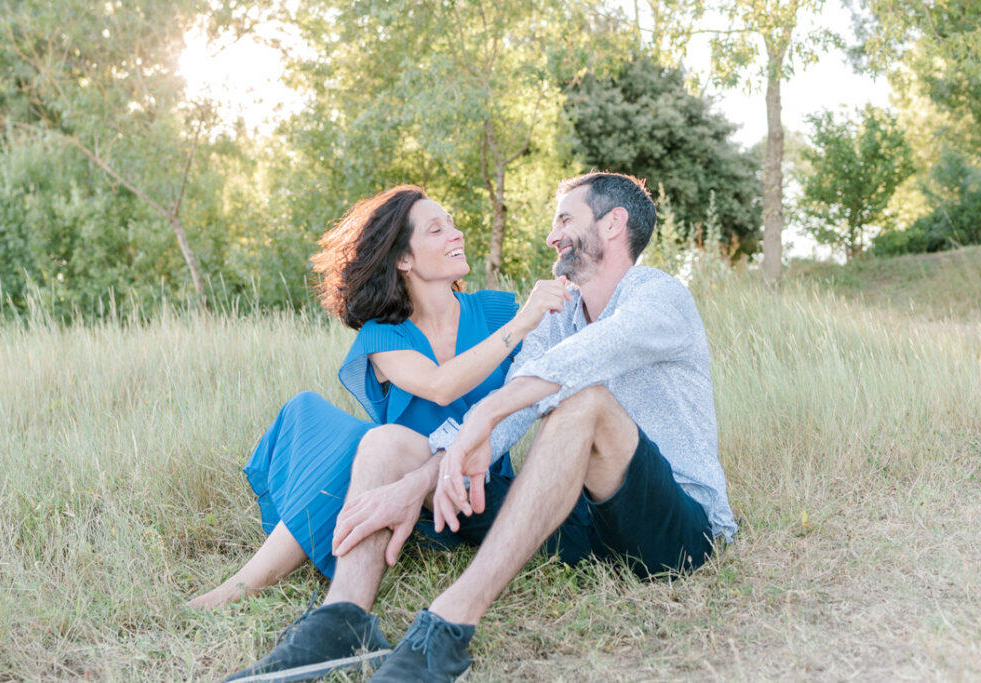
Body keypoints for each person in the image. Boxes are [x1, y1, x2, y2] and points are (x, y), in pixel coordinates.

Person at [224, 172, 738, 682]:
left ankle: (449, 623)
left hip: (678, 531)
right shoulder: (559, 317)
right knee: (387, 444)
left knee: (584, 403)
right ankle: (343, 621)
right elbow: (512, 411)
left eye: (564, 218)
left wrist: (483, 413)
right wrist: (415, 483)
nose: (551, 235)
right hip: (583, 526)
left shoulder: (658, 296)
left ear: (613, 224)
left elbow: (574, 366)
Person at [187, 185, 568, 609]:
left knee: (363, 442)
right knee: (312, 413)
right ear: (403, 259)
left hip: (473, 487)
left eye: (453, 224)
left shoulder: (497, 311)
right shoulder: (385, 335)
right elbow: (440, 385)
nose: (457, 234)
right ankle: (245, 585)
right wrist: (521, 323)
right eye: (437, 229)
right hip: (399, 483)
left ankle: (241, 587)